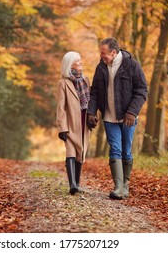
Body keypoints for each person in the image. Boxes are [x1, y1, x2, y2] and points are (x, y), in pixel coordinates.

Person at [87, 37, 148, 200]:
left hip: (128, 117)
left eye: (103, 53)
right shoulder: (101, 67)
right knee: (115, 148)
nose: (101, 56)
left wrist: (132, 112)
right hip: (109, 117)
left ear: (113, 52)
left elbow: (142, 90)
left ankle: (125, 186)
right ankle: (118, 187)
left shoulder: (132, 65)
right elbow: (94, 92)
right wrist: (91, 112)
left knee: (126, 150)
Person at [56, 51, 91, 195]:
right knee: (70, 150)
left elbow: (90, 102)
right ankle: (72, 185)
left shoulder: (86, 80)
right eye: (78, 61)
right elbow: (61, 107)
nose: (81, 62)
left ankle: (77, 183)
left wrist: (93, 117)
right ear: (70, 64)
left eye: (81, 60)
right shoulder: (63, 83)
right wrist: (62, 128)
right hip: (70, 122)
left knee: (81, 152)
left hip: (84, 120)